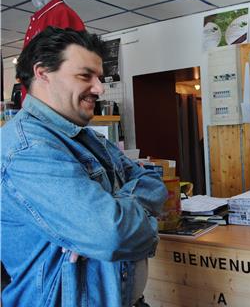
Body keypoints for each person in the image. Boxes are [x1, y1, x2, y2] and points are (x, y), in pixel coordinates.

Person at [1, 27, 167, 307]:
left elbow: (151, 179)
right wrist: (126, 217)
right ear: (42, 73)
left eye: (99, 77)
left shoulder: (88, 137)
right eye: (84, 76)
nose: (100, 88)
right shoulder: (27, 150)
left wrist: (114, 208)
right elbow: (111, 235)